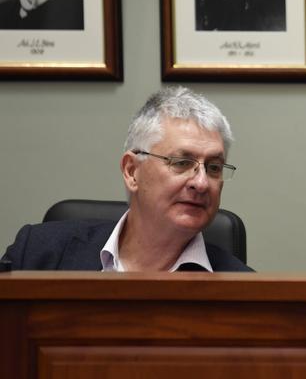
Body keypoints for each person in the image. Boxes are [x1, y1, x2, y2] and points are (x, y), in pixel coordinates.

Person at [2, 86, 251, 272]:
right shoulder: (37, 253)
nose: (201, 182)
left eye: (214, 167)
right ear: (132, 171)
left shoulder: (245, 291)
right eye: (182, 163)